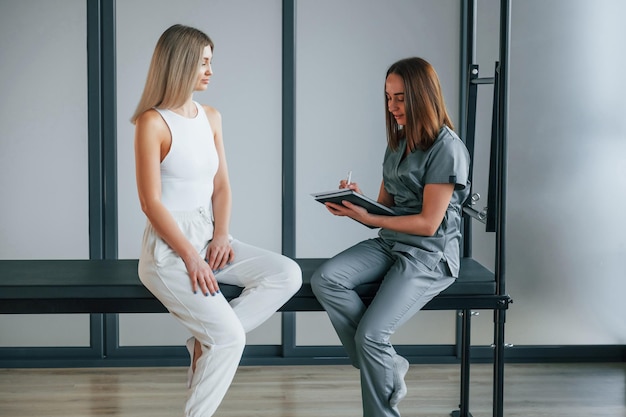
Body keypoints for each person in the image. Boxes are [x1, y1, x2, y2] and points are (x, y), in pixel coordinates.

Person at [131, 24, 302, 417]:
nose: (210, 70)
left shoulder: (210, 117)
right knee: (229, 340)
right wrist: (191, 256)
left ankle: (201, 343)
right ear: (182, 64)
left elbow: (221, 186)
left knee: (286, 273)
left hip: (210, 236)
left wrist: (221, 235)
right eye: (204, 62)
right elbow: (150, 202)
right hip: (169, 250)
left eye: (211, 62)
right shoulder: (152, 123)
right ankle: (207, 358)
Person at [310, 57, 470, 417]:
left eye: (400, 98)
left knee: (370, 336)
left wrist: (371, 216)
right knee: (326, 279)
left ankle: (378, 366)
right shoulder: (398, 143)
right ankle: (387, 364)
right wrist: (354, 202)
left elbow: (429, 223)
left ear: (422, 97)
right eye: (388, 97)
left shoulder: (448, 149)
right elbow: (382, 211)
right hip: (391, 243)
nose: (392, 107)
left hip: (430, 255)